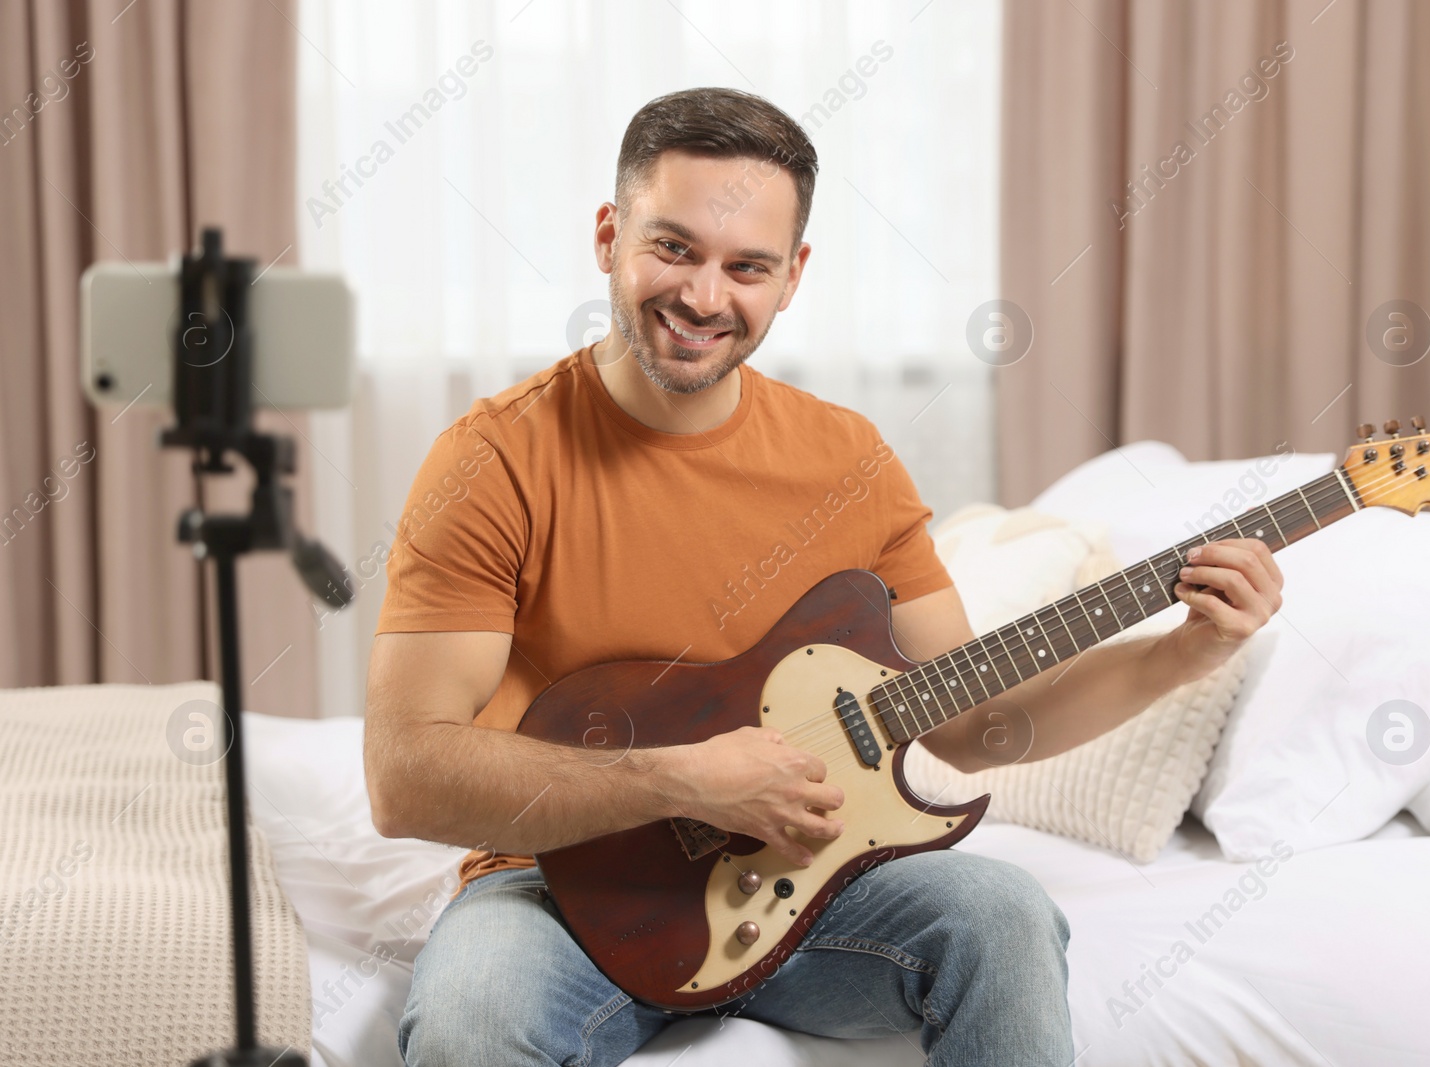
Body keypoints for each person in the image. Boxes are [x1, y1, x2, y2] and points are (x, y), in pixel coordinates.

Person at [367, 87, 1284, 1067]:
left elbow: (975, 725)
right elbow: (404, 776)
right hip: (556, 887)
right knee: (470, 1021)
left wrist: (1183, 651)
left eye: (746, 266)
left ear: (793, 276)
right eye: (672, 248)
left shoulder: (848, 461)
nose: (704, 297)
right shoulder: (492, 457)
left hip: (811, 890)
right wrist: (681, 778)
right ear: (608, 235)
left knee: (1007, 916)